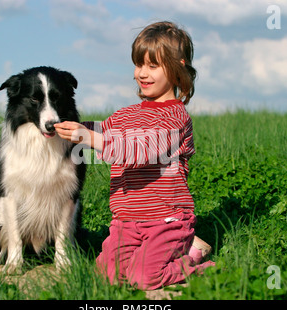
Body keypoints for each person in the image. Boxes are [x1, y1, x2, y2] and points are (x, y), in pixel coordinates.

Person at [55, 21, 214, 290]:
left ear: (178, 69)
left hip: (166, 220)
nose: (142, 73)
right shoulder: (128, 114)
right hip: (126, 222)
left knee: (145, 277)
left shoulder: (174, 118)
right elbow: (104, 131)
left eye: (153, 66)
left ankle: (194, 259)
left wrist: (90, 138)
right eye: (139, 64)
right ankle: (151, 258)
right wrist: (73, 127)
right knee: (107, 276)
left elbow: (139, 150)